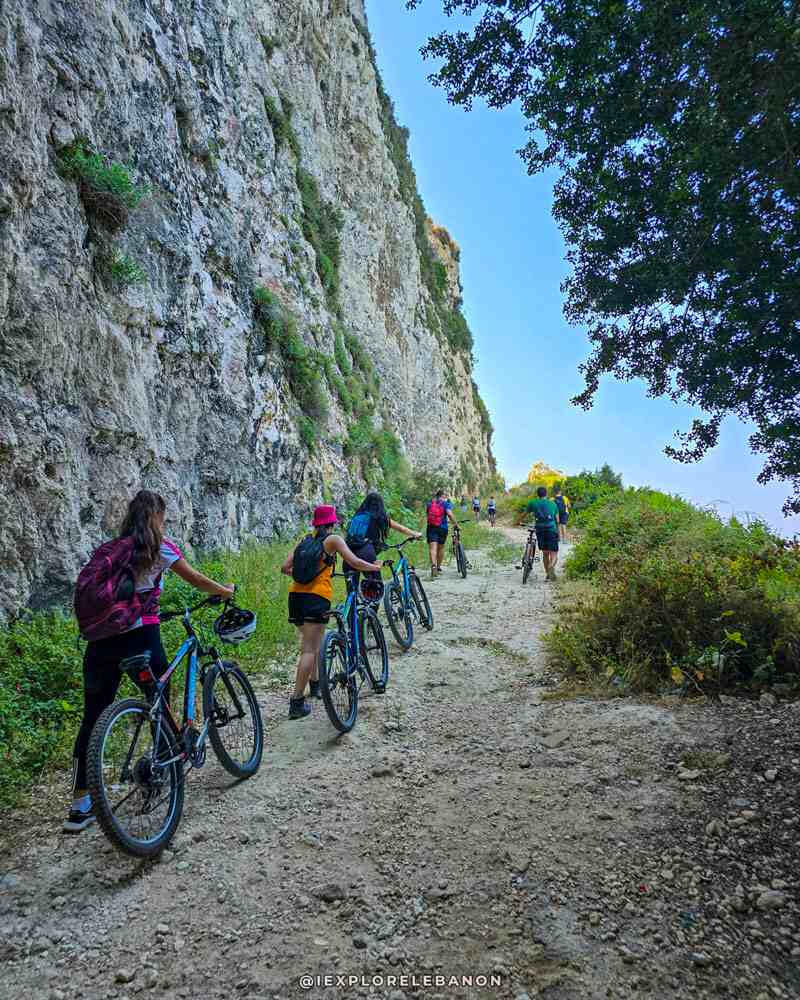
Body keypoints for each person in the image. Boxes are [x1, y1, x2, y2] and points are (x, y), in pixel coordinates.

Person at [65, 490, 235, 834]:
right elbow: (196, 580)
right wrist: (224, 591)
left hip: (100, 642)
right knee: (159, 698)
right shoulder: (160, 548)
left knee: (92, 717)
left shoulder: (111, 550)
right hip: (140, 635)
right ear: (157, 517)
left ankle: (79, 805)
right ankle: (162, 767)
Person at [281, 505, 380, 719]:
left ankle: (316, 684)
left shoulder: (305, 540)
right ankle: (296, 702)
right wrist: (375, 567)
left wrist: (304, 576)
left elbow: (285, 567)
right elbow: (354, 562)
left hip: (295, 597)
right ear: (332, 523)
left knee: (313, 644)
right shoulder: (332, 540)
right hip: (316, 598)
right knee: (309, 650)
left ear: (316, 523)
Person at [345, 492, 421, 585]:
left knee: (352, 588)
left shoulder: (357, 516)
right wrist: (415, 534)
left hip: (348, 552)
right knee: (376, 586)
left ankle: (353, 594)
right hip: (366, 552)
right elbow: (401, 528)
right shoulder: (380, 517)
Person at [526, 486, 560, 581]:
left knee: (545, 553)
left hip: (540, 529)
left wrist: (517, 522)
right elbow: (557, 520)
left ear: (538, 494)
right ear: (546, 494)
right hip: (551, 529)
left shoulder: (533, 503)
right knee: (554, 553)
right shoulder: (553, 504)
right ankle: (551, 566)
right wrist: (558, 532)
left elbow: (524, 513)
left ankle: (548, 574)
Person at [426, 488, 456, 578]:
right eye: (445, 495)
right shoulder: (445, 503)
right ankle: (438, 567)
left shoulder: (430, 503)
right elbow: (449, 514)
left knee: (432, 548)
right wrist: (455, 524)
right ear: (443, 495)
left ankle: (433, 566)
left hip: (431, 527)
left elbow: (428, 515)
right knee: (441, 547)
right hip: (443, 528)